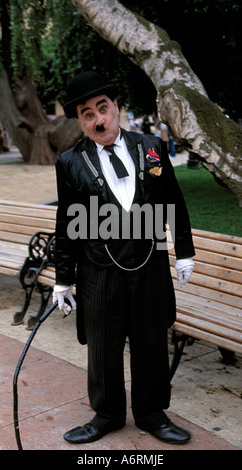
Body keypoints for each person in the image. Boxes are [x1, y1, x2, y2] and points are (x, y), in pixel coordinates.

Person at [53, 71, 195, 445]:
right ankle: (107, 414)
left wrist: (184, 252)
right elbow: (68, 224)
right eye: (88, 114)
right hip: (99, 271)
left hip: (149, 266)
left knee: (151, 342)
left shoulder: (151, 147)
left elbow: (173, 203)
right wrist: (63, 278)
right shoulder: (70, 162)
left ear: (117, 107)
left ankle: (151, 413)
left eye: (104, 108)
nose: (99, 120)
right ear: (80, 121)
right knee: (103, 346)